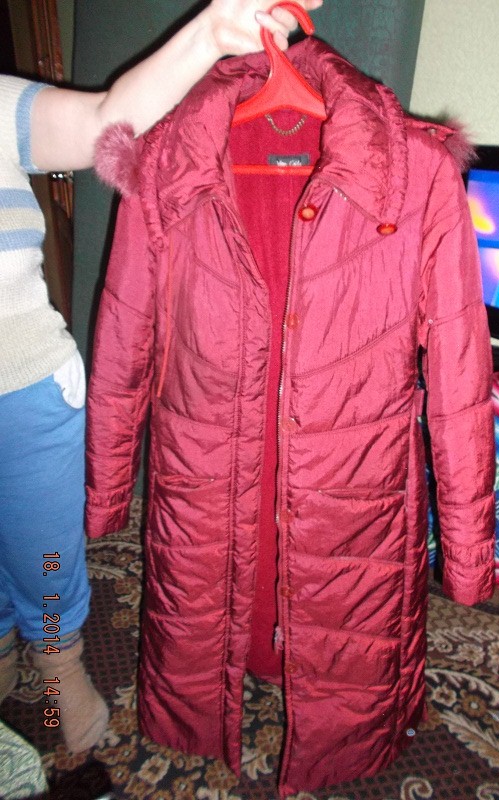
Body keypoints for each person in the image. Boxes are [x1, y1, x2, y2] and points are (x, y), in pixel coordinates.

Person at [0, 0, 323, 755]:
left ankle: (55, 671)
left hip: (18, 380)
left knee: (42, 549)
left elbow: (103, 120)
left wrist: (212, 31)